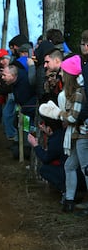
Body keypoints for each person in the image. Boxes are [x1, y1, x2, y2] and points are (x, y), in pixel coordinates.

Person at [39, 54, 88, 213]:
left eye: (63, 72)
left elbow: (73, 117)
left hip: (82, 135)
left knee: (86, 168)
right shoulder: (73, 92)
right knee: (69, 166)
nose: (60, 74)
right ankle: (69, 200)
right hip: (76, 135)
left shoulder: (79, 93)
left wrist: (57, 113)